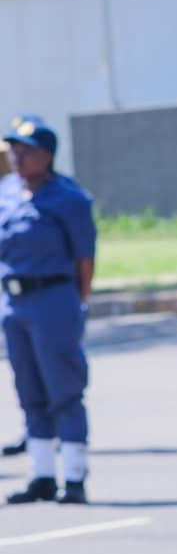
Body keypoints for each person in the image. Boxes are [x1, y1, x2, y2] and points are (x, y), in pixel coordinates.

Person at [0, 116, 95, 505]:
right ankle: (41, 474)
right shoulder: (6, 192)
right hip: (14, 301)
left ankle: (73, 475)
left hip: (54, 298)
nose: (19, 159)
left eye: (28, 152)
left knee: (63, 388)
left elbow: (84, 260)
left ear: (48, 156)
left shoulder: (68, 198)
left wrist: (77, 302)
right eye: (15, 151)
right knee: (29, 389)